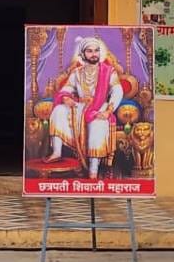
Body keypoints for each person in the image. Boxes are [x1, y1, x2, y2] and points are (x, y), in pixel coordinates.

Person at [46, 37, 122, 179]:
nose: (94, 54)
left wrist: (108, 111)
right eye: (90, 51)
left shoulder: (108, 71)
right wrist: (66, 98)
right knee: (58, 110)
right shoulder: (77, 72)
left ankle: (93, 170)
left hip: (100, 107)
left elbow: (117, 91)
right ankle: (56, 152)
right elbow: (67, 88)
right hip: (80, 106)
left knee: (97, 124)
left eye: (96, 51)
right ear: (82, 54)